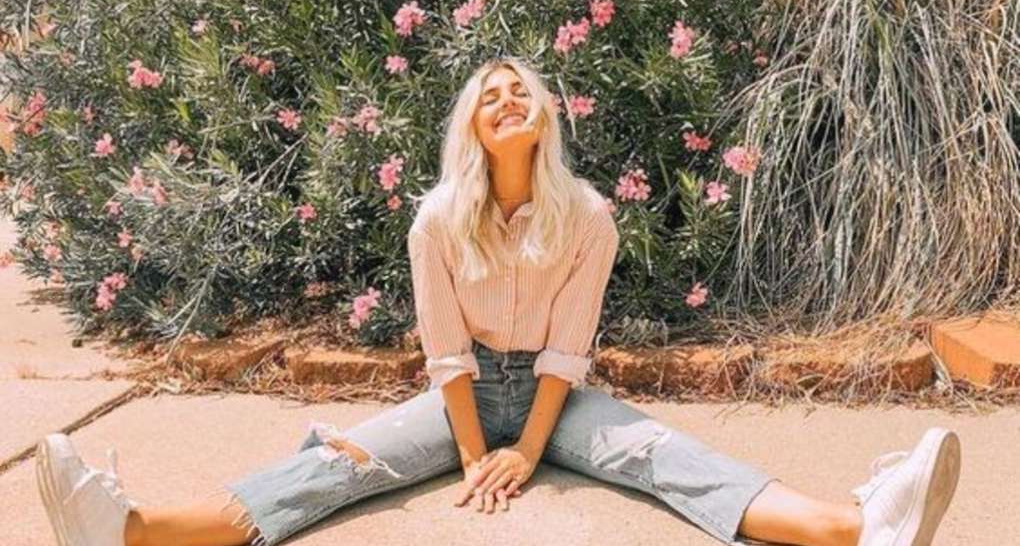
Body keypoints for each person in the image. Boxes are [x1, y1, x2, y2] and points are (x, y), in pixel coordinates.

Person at [34, 57, 962, 546]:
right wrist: (481, 456)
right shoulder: (437, 219)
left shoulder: (587, 216)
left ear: (544, 115)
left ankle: (859, 527)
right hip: (463, 395)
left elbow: (567, 352)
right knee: (344, 463)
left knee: (663, 455)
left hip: (554, 396)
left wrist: (530, 447)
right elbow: (446, 354)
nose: (509, 101)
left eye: (522, 92)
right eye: (491, 97)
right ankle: (131, 531)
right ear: (474, 128)